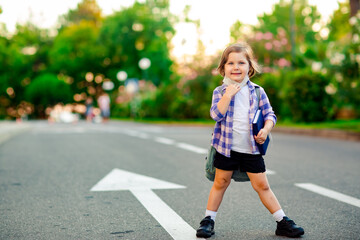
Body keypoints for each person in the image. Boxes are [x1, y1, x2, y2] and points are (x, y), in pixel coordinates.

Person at [196, 43, 304, 238]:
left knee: (262, 185)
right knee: (220, 182)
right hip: (225, 148)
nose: (236, 67)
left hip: (251, 149)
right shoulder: (219, 92)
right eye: (230, 63)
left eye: (241, 62)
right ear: (223, 68)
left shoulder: (257, 91)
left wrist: (266, 129)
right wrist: (227, 96)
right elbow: (215, 115)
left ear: (250, 67)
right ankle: (208, 220)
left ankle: (282, 221)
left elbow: (270, 114)